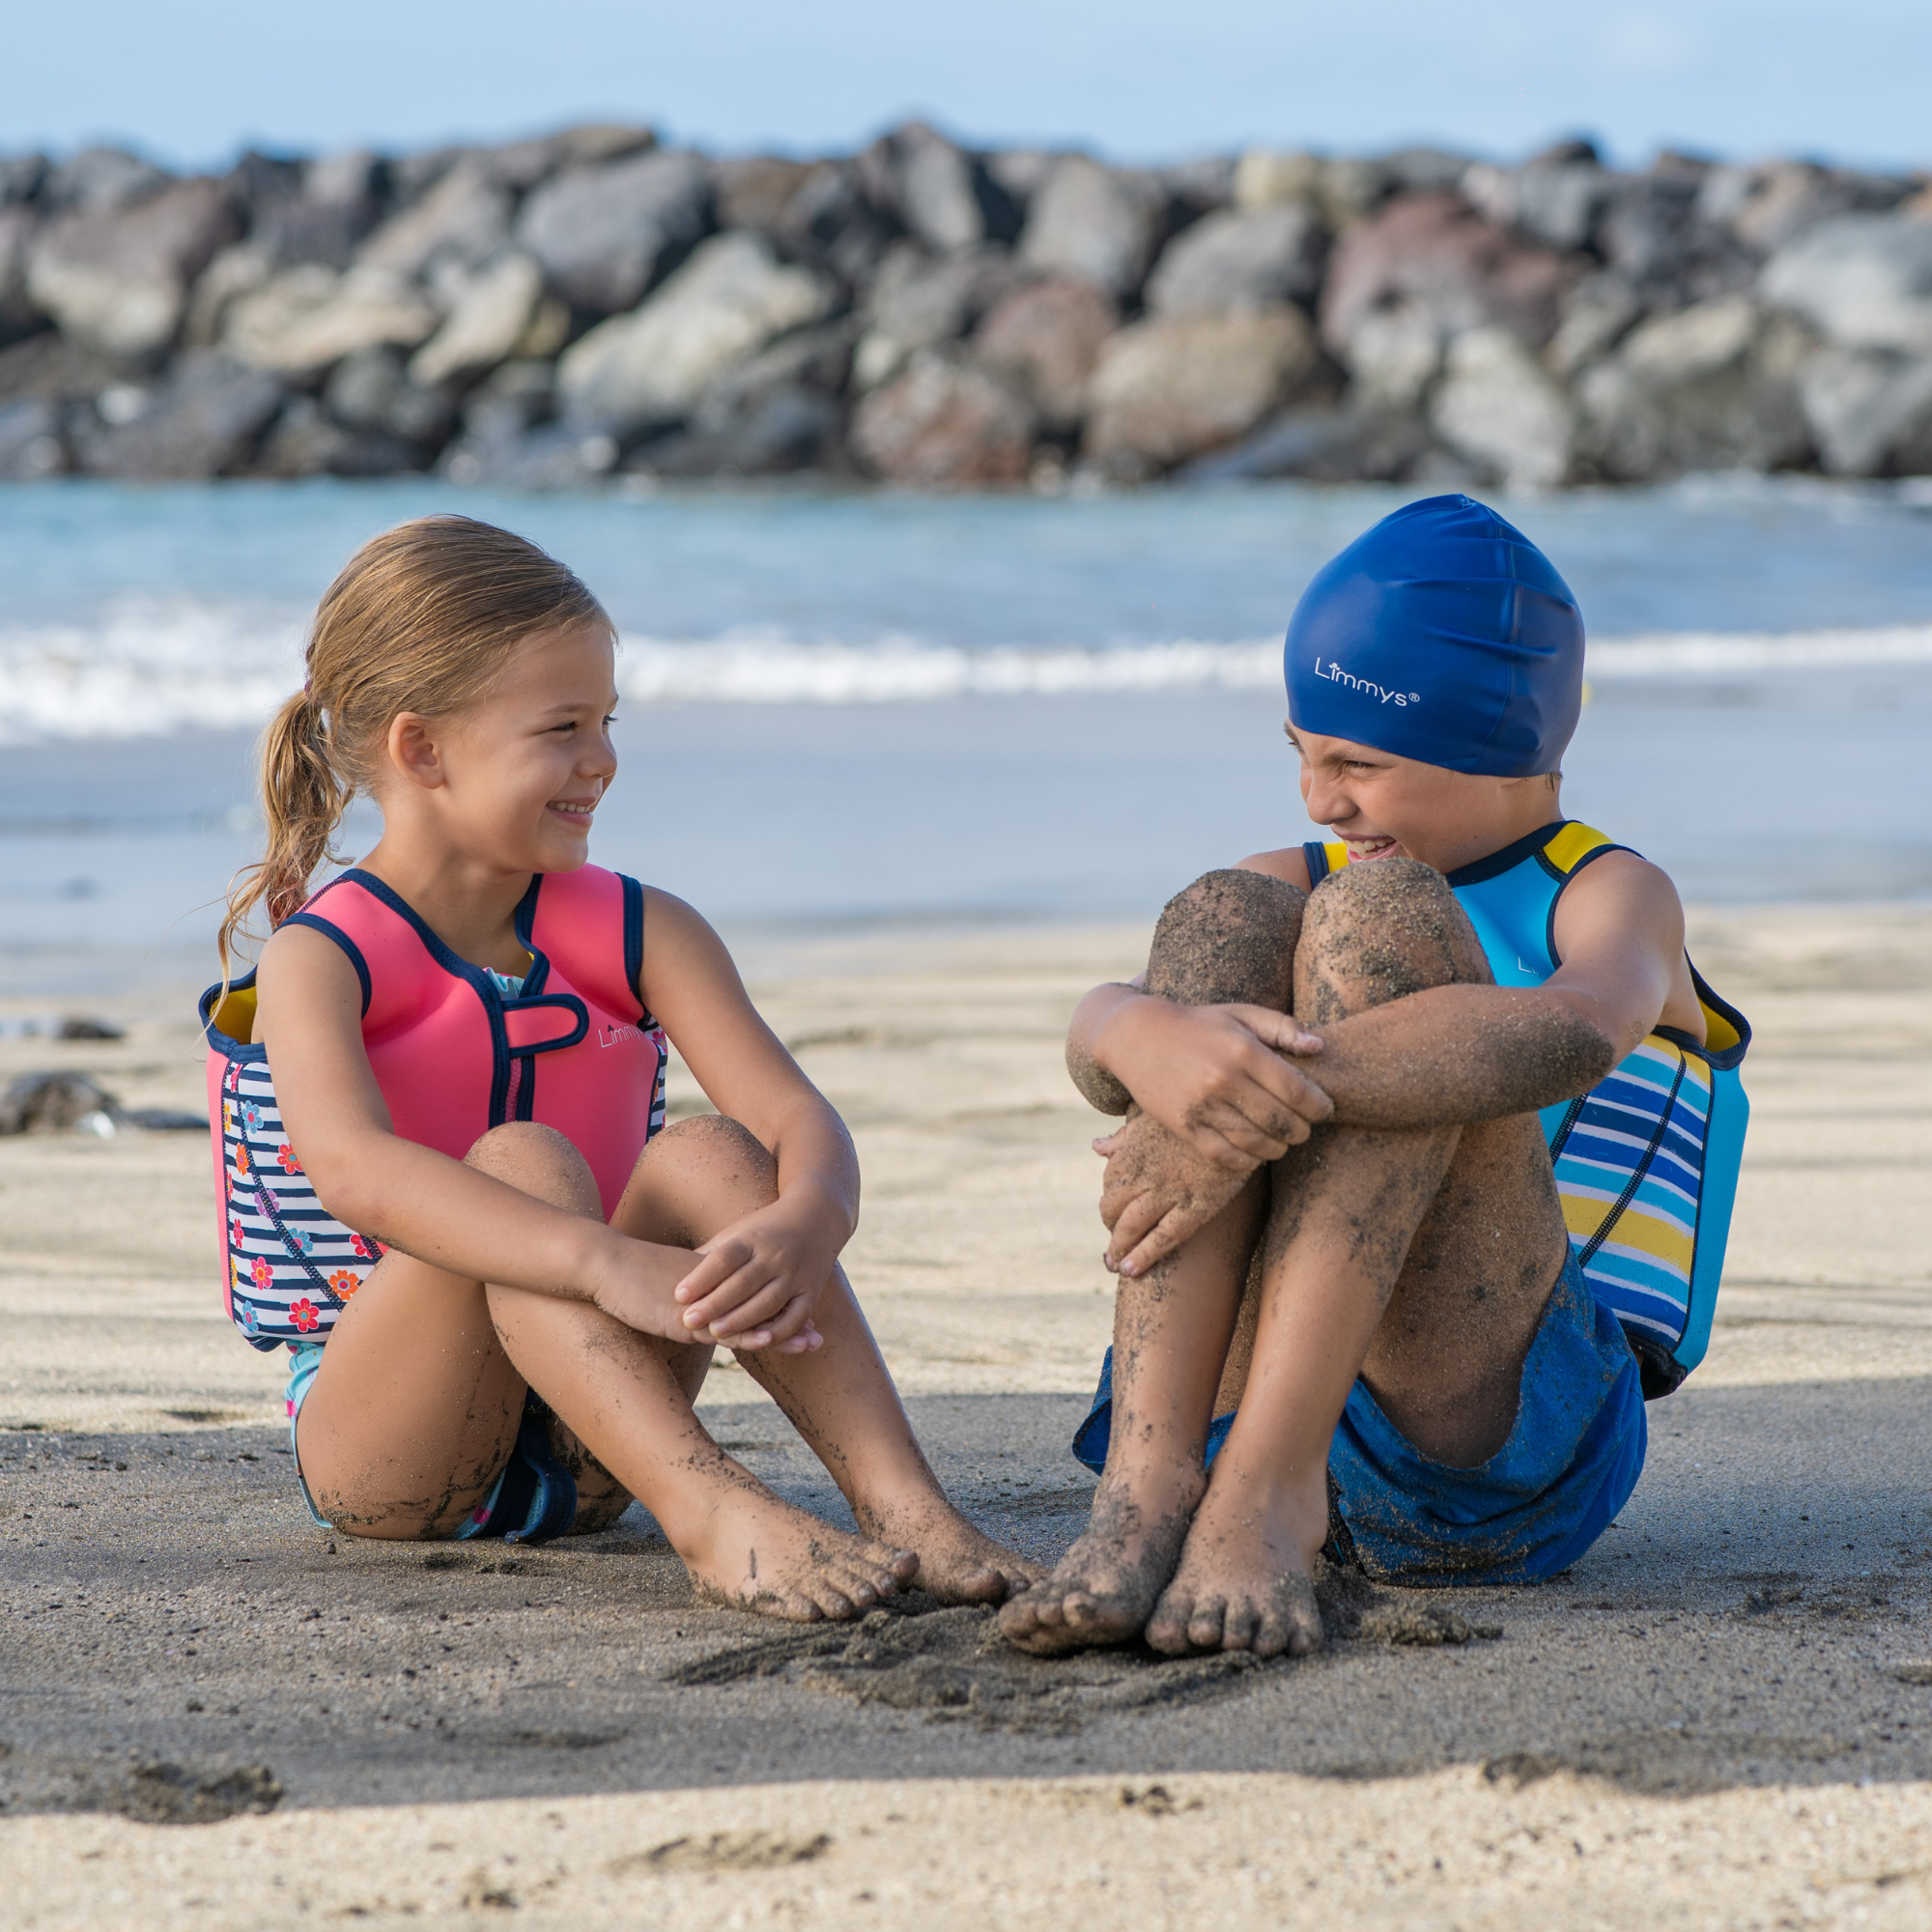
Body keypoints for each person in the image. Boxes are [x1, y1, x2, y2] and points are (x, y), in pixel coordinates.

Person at [202, 514, 1037, 1621]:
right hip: (393, 1454)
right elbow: (355, 1171)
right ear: (422, 748)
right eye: (560, 727)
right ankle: (710, 1517)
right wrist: (599, 1261)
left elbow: (795, 1115)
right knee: (521, 1159)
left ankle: (904, 1505)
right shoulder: (326, 958)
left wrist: (810, 1217)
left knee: (708, 1150)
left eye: (606, 719)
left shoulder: (646, 929)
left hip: (604, 1442)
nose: (601, 759)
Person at [1001, 495, 1748, 1661]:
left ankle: (1267, 1490)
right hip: (1227, 1399)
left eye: (1356, 762)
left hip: (1493, 1444)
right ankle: (1148, 1486)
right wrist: (1134, 1035)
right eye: (1299, 754)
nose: (1318, 798)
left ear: (1497, 741)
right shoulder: (1288, 869)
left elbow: (1574, 1035)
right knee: (1220, 911)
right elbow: (1105, 1053)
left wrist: (1249, 1082)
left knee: (1381, 927)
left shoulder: (1604, 893)